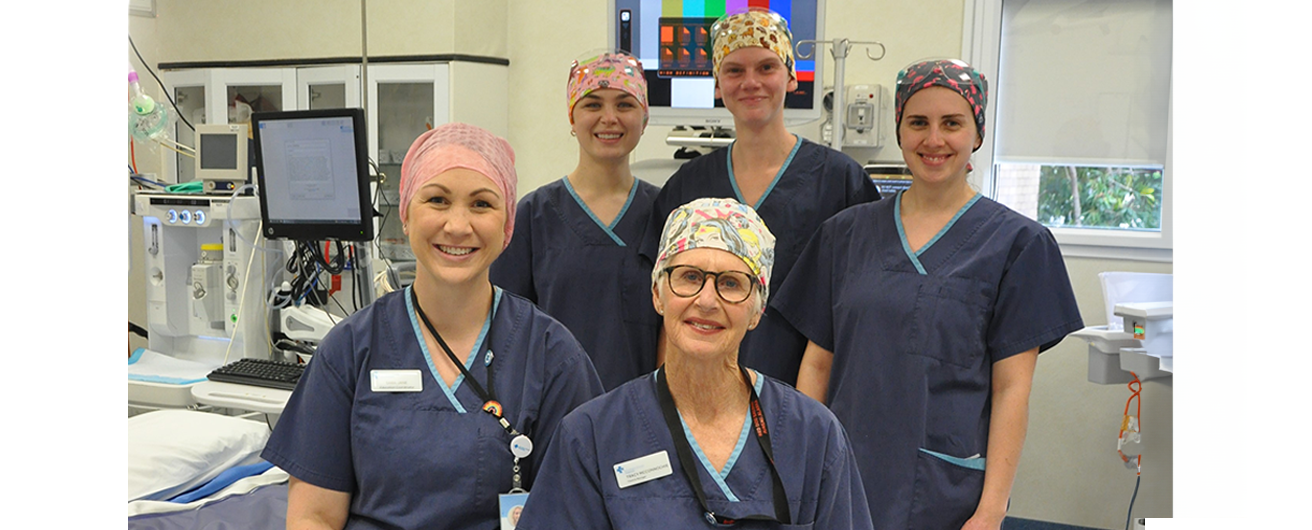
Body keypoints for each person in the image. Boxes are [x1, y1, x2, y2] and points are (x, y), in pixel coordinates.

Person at [773, 59, 1085, 530]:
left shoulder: (1018, 244)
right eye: (918, 122)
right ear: (900, 131)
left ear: (977, 134)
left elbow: (1012, 389)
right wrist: (802, 469)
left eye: (952, 123)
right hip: (841, 475)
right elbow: (817, 366)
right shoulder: (844, 234)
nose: (934, 139)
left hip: (944, 491)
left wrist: (992, 510)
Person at [262, 123, 606, 530]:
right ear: (406, 215)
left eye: (482, 204)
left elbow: (575, 513)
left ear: (507, 226)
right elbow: (313, 516)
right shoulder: (350, 349)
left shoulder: (551, 354)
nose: (458, 226)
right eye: (437, 200)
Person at [519, 198, 872, 529]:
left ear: (757, 310)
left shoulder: (813, 435)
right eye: (689, 277)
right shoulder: (591, 436)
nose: (707, 301)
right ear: (657, 294)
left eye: (730, 284)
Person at [638, 8, 880, 386]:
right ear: (718, 84)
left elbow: (858, 311)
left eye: (766, 67)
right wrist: (665, 401)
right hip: (700, 392)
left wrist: (812, 413)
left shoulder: (841, 183)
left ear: (791, 76)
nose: (751, 82)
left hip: (804, 394)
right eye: (734, 70)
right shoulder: (689, 186)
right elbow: (667, 314)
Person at [492, 52, 662, 391]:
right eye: (593, 105)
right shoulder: (534, 216)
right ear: (572, 117)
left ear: (644, 119)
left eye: (625, 105)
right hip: (556, 406)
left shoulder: (667, 214)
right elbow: (506, 331)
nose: (609, 118)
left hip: (643, 406)